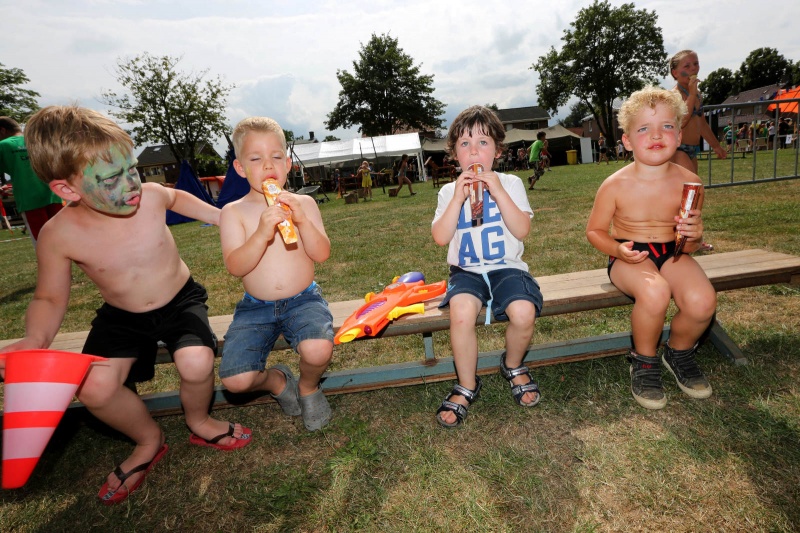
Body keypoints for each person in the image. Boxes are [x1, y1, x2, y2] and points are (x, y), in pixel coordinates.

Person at [0, 105, 251, 505]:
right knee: (95, 388)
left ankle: (200, 420)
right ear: (67, 189)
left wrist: (222, 218)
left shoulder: (149, 197)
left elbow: (175, 197)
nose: (132, 183)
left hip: (180, 300)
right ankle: (147, 439)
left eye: (131, 168)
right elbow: (48, 296)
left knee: (197, 361)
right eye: (113, 177)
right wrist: (35, 337)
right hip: (122, 316)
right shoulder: (57, 234)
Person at [586, 87, 716, 410]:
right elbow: (595, 231)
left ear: (679, 132)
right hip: (629, 255)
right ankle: (644, 361)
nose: (656, 135)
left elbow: (692, 241)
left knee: (703, 301)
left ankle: (679, 351)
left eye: (667, 127)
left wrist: (695, 235)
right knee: (655, 292)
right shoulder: (615, 184)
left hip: (674, 252)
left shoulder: (690, 183)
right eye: (644, 128)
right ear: (628, 140)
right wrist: (617, 250)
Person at [218, 116, 334, 432]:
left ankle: (308, 386)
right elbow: (235, 266)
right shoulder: (234, 212)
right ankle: (277, 381)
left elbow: (321, 254)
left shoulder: (305, 203)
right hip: (256, 307)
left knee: (319, 348)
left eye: (276, 157)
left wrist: (303, 222)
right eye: (256, 158)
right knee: (235, 380)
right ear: (240, 168)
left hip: (303, 299)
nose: (268, 165)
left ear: (288, 164)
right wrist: (261, 233)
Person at [431, 105, 543, 427]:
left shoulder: (510, 184)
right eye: (465, 144)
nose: (474, 151)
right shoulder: (448, 191)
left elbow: (522, 230)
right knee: (462, 313)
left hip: (507, 267)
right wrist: (457, 199)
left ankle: (513, 365)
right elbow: (440, 238)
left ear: (497, 149)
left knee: (523, 313)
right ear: (454, 154)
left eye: (482, 142)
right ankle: (467, 383)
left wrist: (496, 190)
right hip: (466, 270)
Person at [669, 50, 723, 253]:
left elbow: (701, 123)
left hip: (693, 149)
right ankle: (688, 240)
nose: (693, 69)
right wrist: (691, 95)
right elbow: (681, 121)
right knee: (693, 193)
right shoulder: (674, 96)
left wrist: (716, 145)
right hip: (678, 149)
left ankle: (688, 238)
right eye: (687, 66)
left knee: (691, 197)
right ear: (675, 72)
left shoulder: (697, 95)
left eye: (695, 64)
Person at [0, 116, 64, 244]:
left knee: (42, 242)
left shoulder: (3, 145)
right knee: (62, 238)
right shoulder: (39, 141)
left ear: (2, 130)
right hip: (55, 196)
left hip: (30, 200)